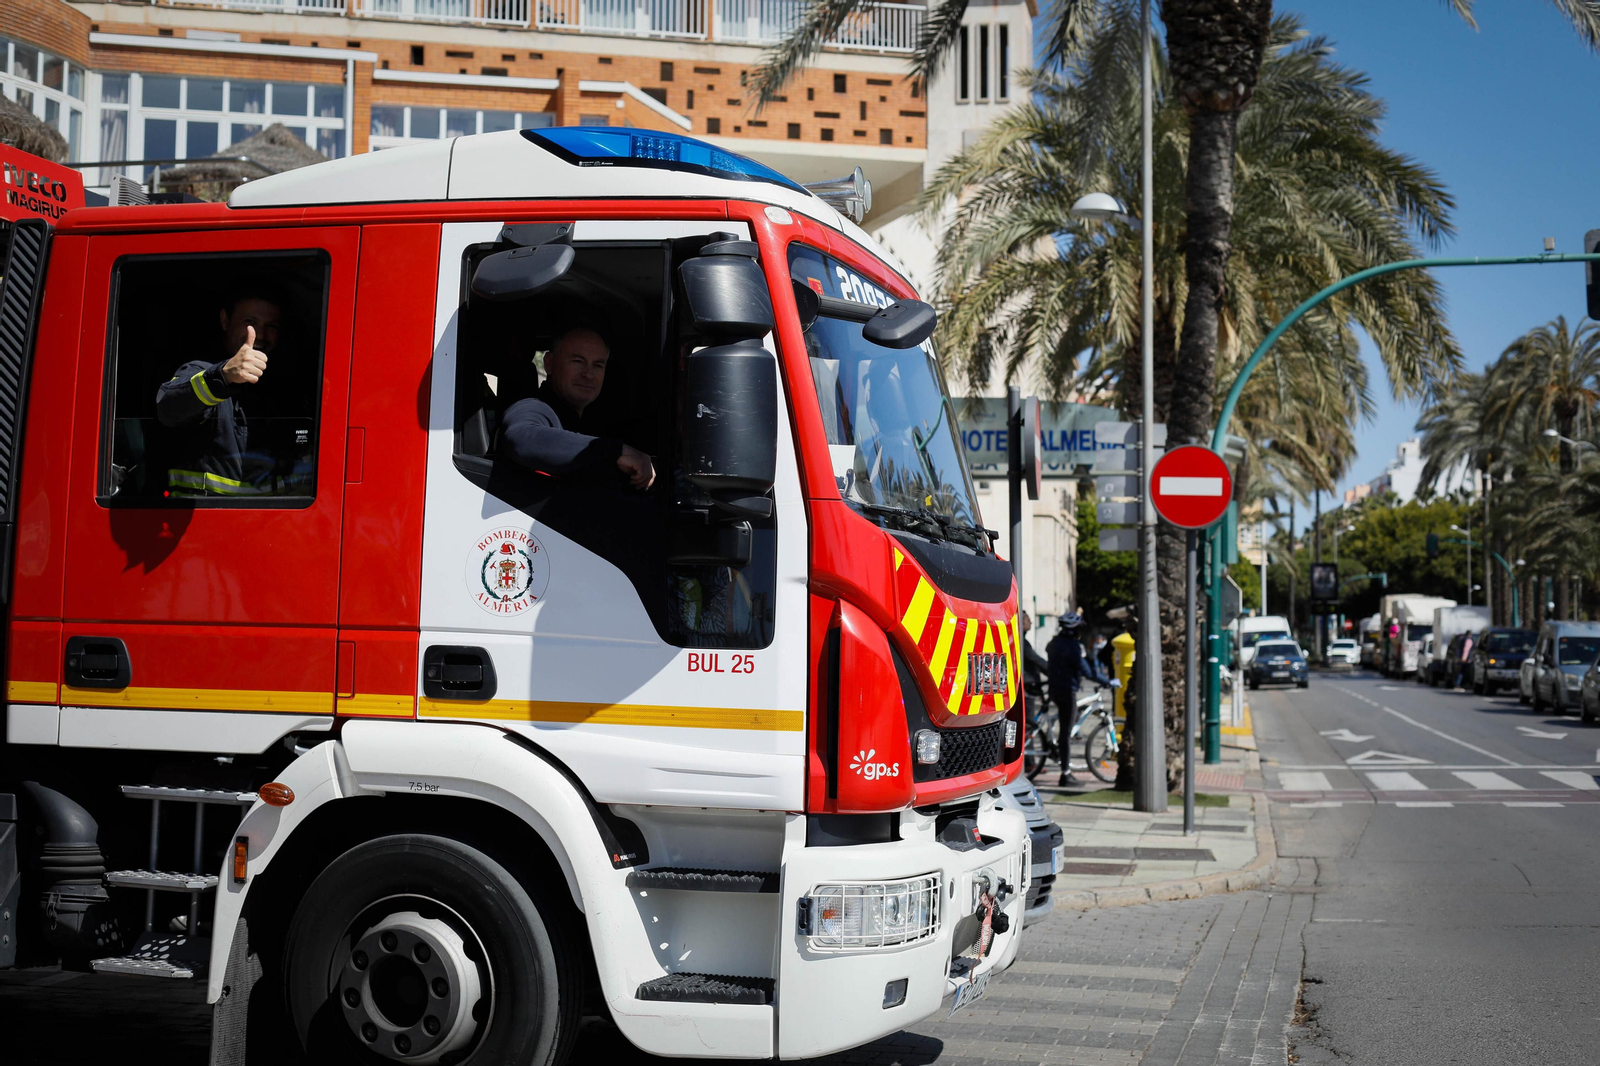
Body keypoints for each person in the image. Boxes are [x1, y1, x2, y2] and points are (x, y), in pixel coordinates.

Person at [155, 285, 287, 497]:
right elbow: (168, 408)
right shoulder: (202, 370)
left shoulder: (281, 390)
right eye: (250, 322)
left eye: (271, 326)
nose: (261, 335)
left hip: (270, 521)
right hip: (206, 520)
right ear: (225, 320)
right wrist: (224, 377)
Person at [498, 327, 655, 490]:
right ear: (549, 363)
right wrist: (616, 452)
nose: (588, 374)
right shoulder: (535, 407)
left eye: (598, 365)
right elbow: (522, 439)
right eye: (577, 361)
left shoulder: (595, 423)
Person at [1047, 612, 1112, 787]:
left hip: (1054, 689)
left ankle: (1054, 747)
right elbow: (1088, 671)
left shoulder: (1053, 643)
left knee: (1065, 721)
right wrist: (1107, 681)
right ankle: (1065, 774)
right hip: (1067, 690)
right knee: (1066, 734)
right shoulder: (1073, 647)